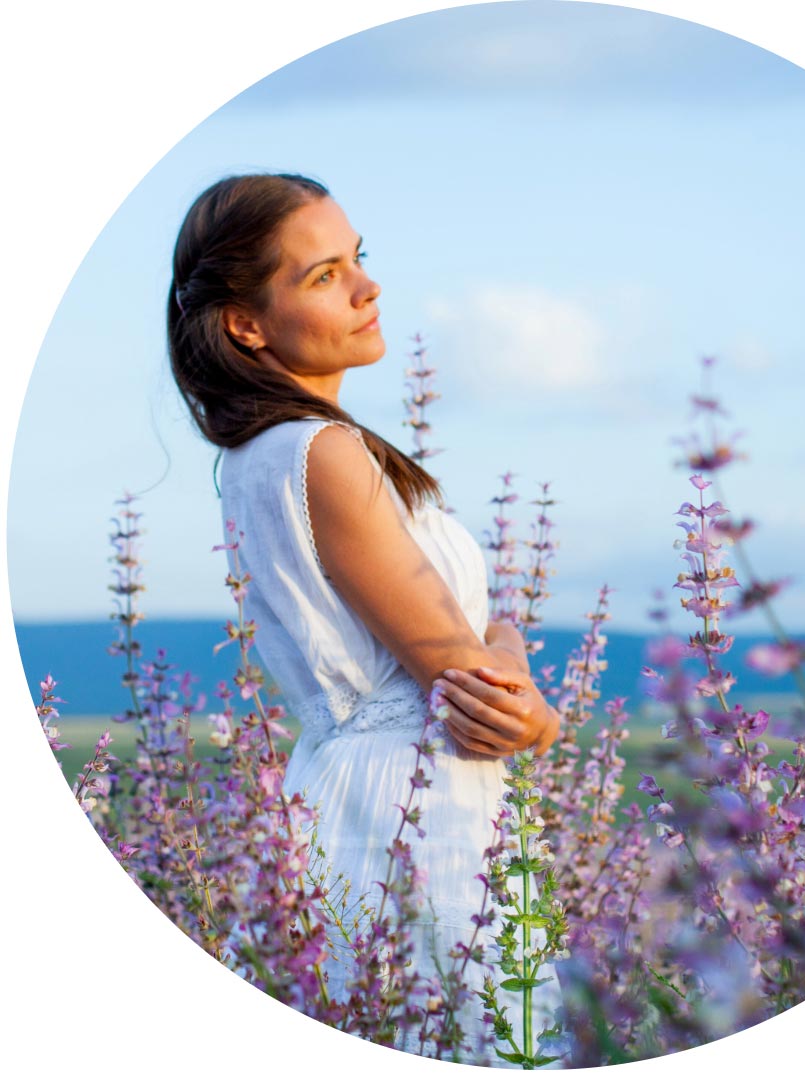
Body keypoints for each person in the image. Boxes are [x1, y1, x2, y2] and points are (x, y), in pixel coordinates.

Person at [167, 172, 563, 1063]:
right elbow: (482, 693)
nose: (366, 287)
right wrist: (523, 679)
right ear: (245, 323)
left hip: (367, 796)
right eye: (322, 275)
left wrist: (494, 647)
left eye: (360, 260)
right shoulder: (323, 452)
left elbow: (465, 652)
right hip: (409, 810)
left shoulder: (267, 454)